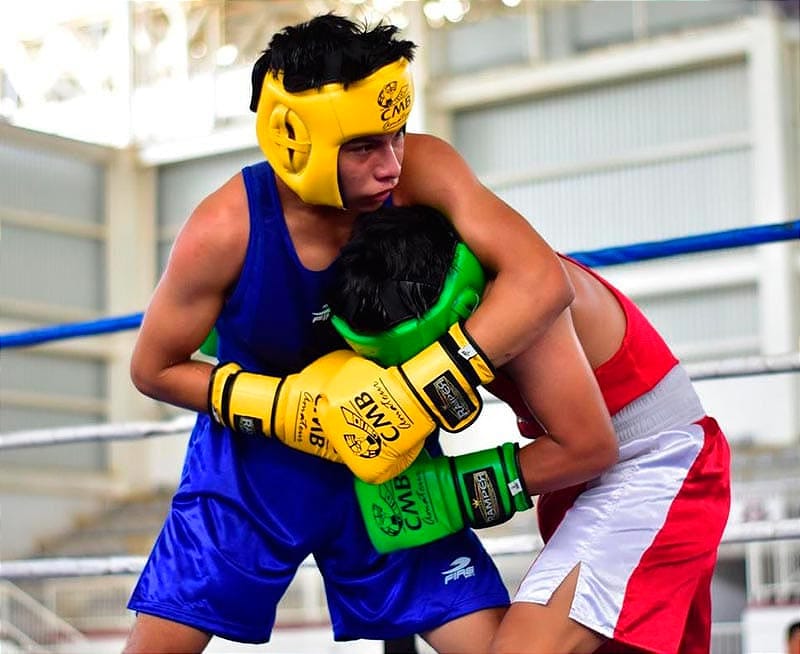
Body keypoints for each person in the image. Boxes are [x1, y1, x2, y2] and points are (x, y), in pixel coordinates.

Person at [124, 13, 573, 654]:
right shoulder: (224, 229)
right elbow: (153, 367)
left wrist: (422, 389)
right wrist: (286, 409)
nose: (391, 165)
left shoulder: (423, 170)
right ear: (292, 138)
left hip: (388, 458)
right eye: (365, 146)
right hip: (251, 471)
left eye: (396, 137)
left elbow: (541, 280)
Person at [327, 204, 732, 654]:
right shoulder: (413, 256)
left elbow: (590, 449)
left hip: (653, 464)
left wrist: (445, 494)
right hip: (585, 480)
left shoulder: (528, 305)